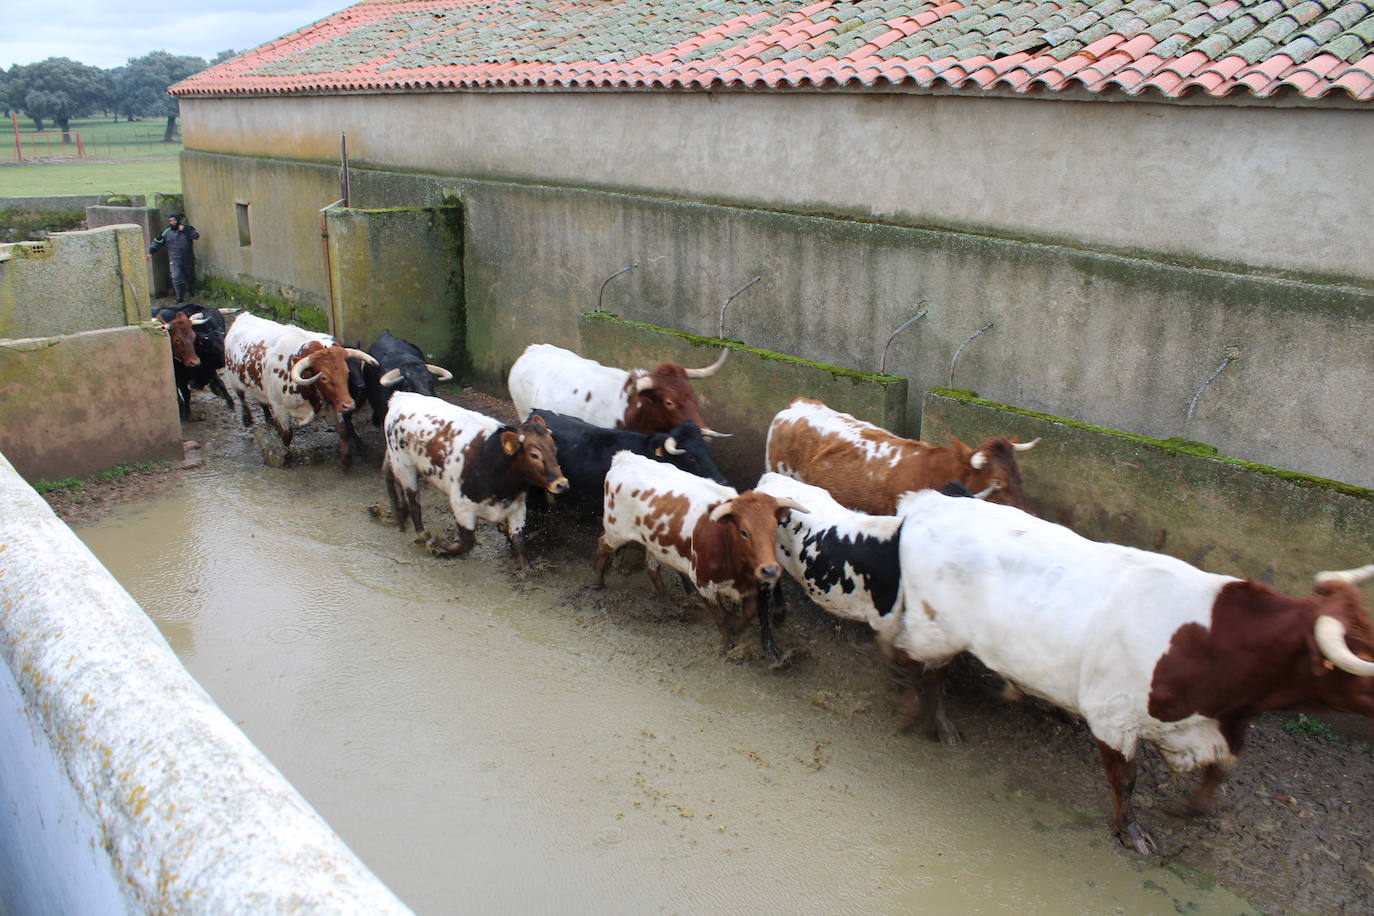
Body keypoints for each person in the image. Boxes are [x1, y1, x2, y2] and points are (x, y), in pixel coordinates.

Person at [148, 213, 200, 302]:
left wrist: (185, 230)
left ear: (178, 220)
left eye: (174, 220)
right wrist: (150, 252)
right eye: (170, 221)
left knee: (189, 275)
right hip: (174, 258)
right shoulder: (166, 232)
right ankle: (179, 297)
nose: (173, 222)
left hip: (187, 257)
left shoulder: (187, 228)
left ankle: (189, 289)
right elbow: (157, 242)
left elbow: (195, 236)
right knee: (176, 276)